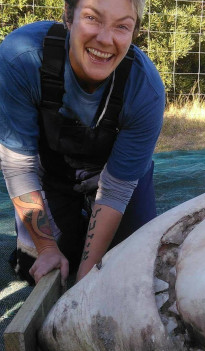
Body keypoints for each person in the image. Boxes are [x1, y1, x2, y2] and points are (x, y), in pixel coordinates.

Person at [0, 0, 165, 286]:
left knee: (131, 262)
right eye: (92, 18)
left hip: (116, 176)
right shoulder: (20, 58)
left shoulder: (146, 90)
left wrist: (87, 277)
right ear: (68, 17)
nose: (105, 39)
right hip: (49, 172)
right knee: (37, 265)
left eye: (122, 26)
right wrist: (48, 248)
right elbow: (18, 166)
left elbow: (116, 188)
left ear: (135, 32)